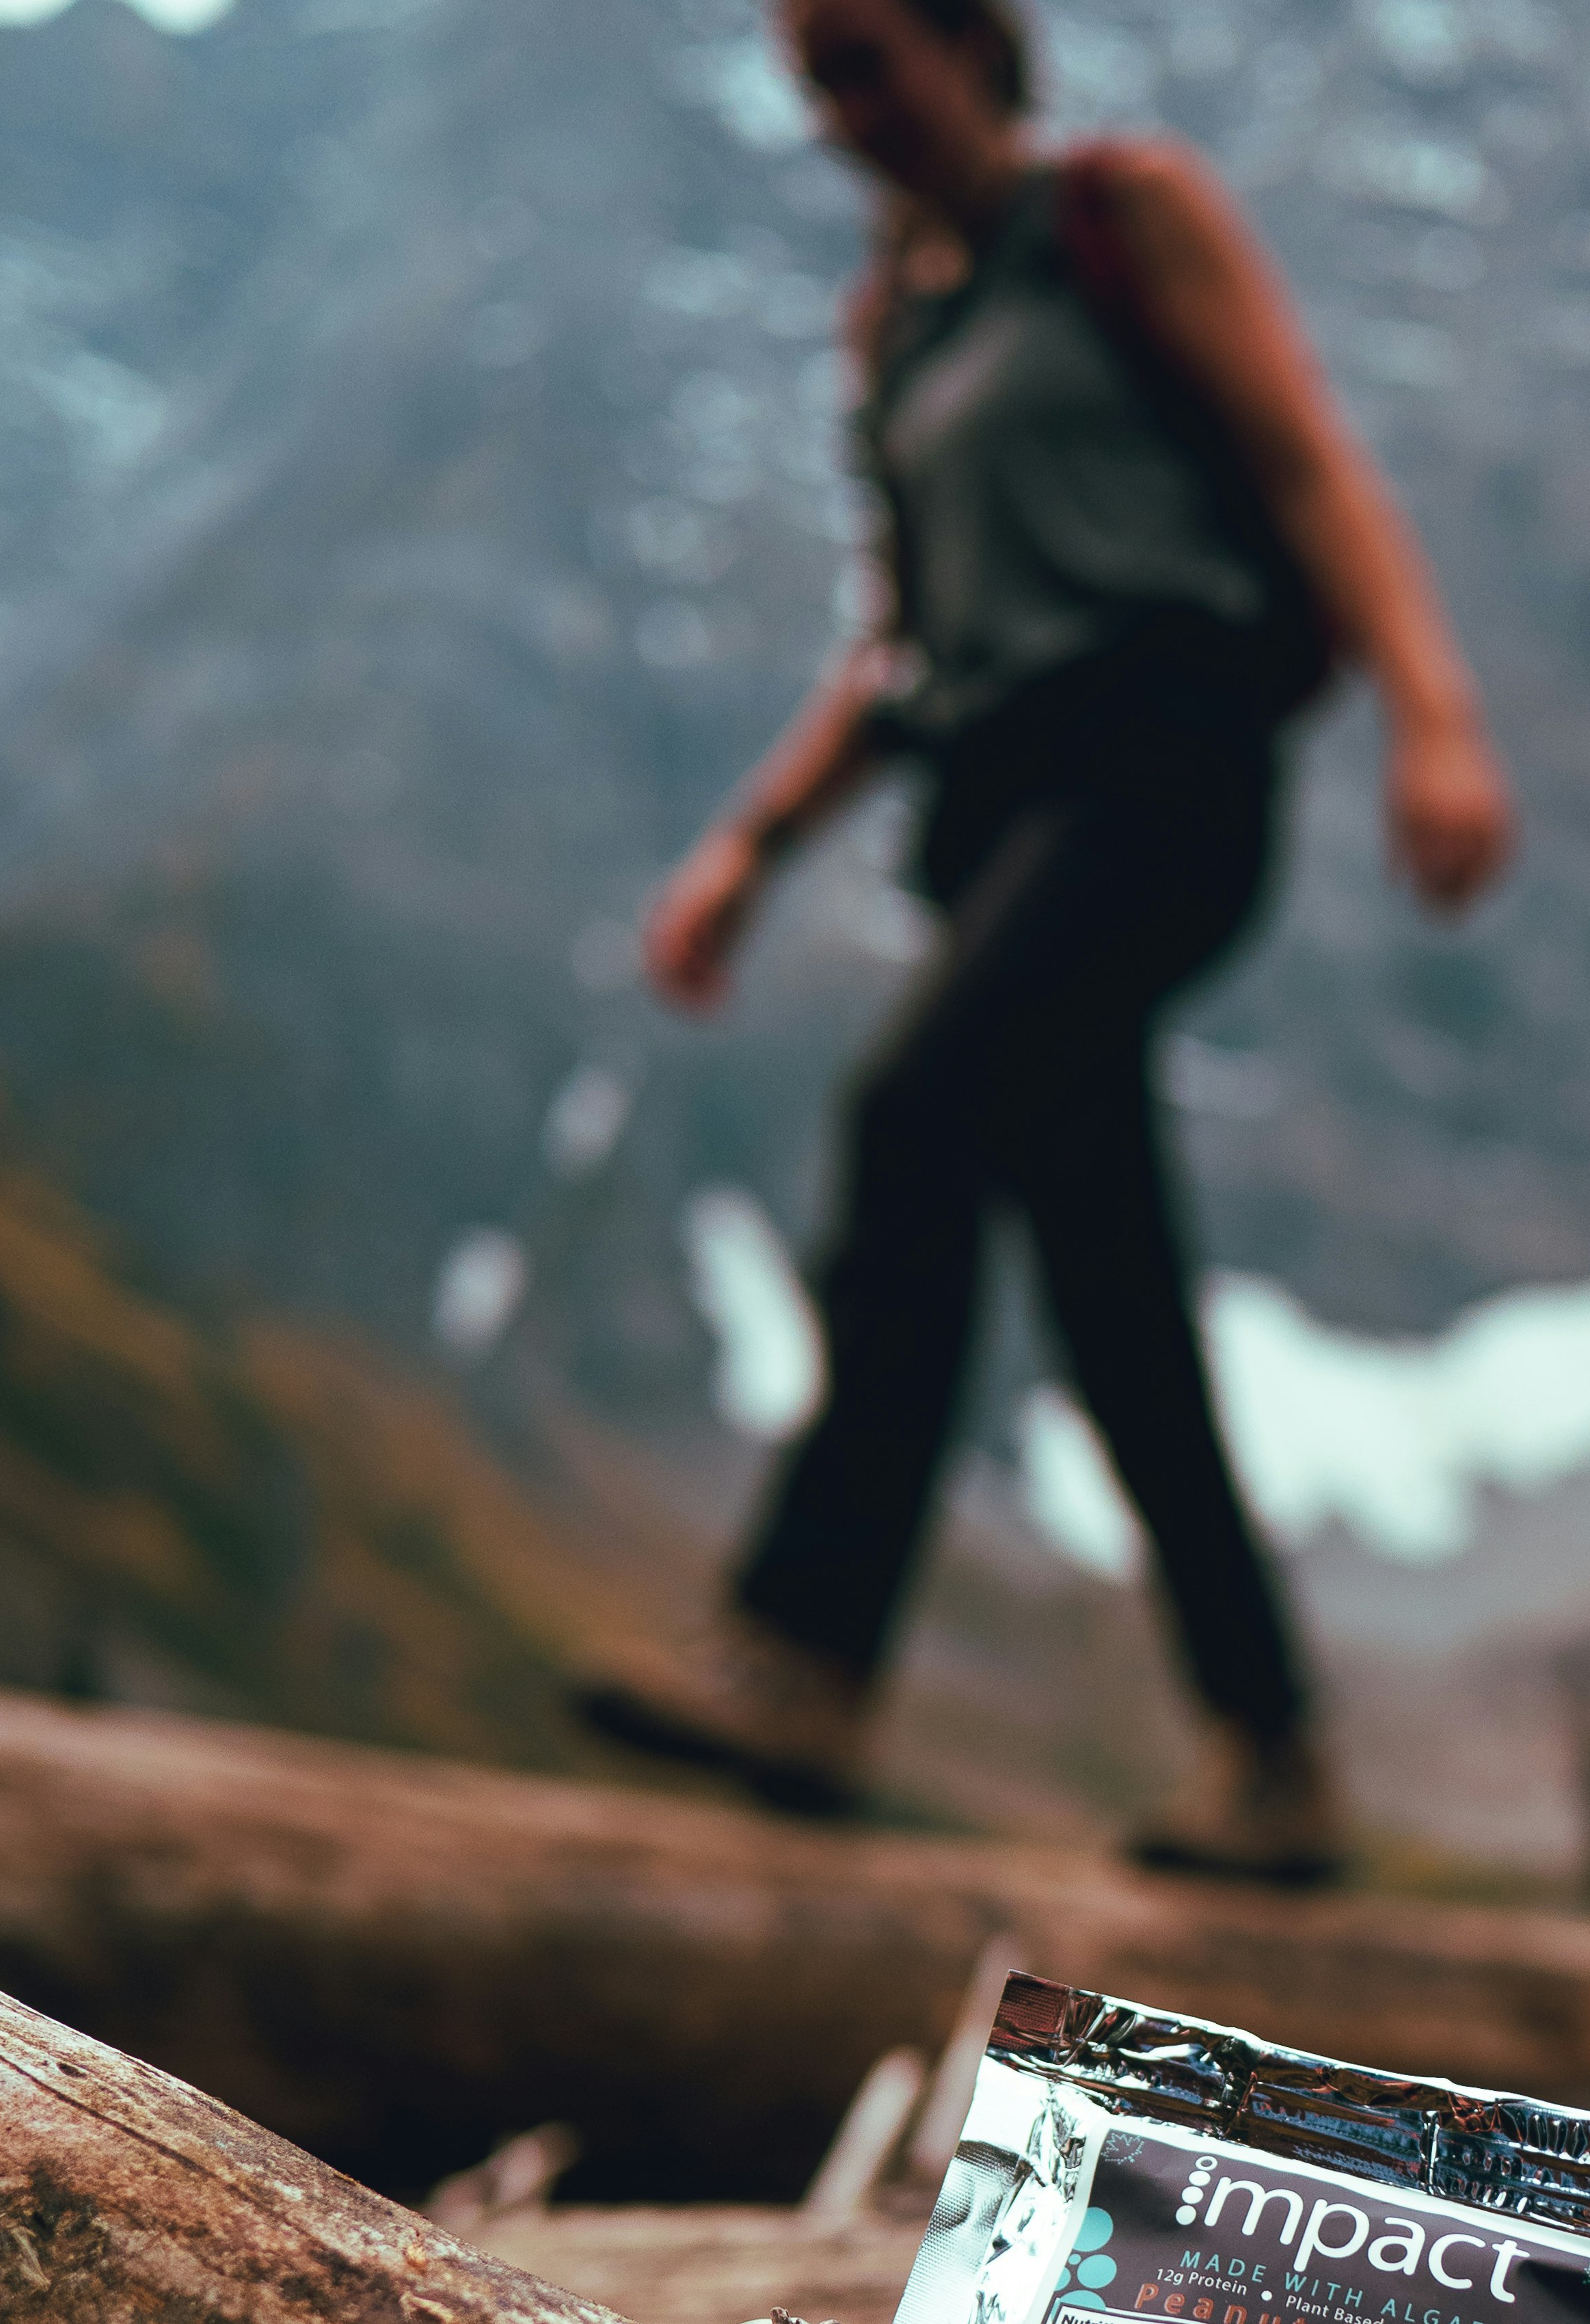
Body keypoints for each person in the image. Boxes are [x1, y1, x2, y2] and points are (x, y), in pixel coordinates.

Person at [580, 0, 1513, 1882]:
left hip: (1163, 766)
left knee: (918, 1107)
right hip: (1000, 808)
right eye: (815, 83)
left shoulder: (1122, 215)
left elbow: (1308, 467)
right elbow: (901, 648)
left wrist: (1435, 718)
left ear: (965, 41)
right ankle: (1274, 1760)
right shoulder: (891, 326)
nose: (845, 114)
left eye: (868, 61)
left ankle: (808, 1657)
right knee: (1112, 1287)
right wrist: (748, 852)